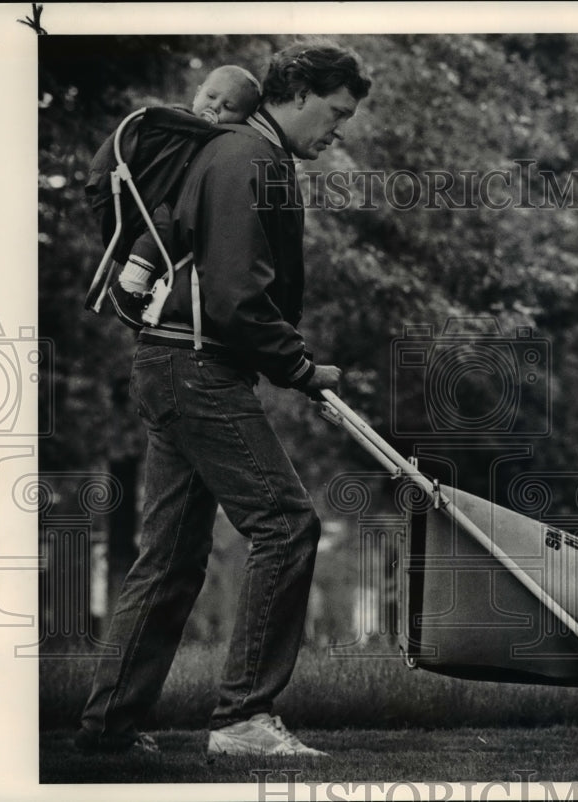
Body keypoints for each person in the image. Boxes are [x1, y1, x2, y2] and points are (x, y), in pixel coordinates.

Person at [75, 42, 371, 757]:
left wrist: (283, 361)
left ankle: (109, 730)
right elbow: (238, 296)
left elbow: (224, 288)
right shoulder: (250, 158)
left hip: (175, 363)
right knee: (286, 524)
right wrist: (299, 365)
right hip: (196, 367)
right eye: (334, 114)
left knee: (172, 555)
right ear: (296, 94)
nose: (338, 132)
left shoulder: (229, 153)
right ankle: (243, 719)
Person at [115, 65, 262, 302]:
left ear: (243, 120)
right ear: (197, 94)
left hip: (186, 215)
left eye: (229, 107)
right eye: (211, 97)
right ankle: (131, 281)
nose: (215, 107)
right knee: (162, 219)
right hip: (149, 200)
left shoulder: (225, 143)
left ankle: (148, 287)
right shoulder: (176, 121)